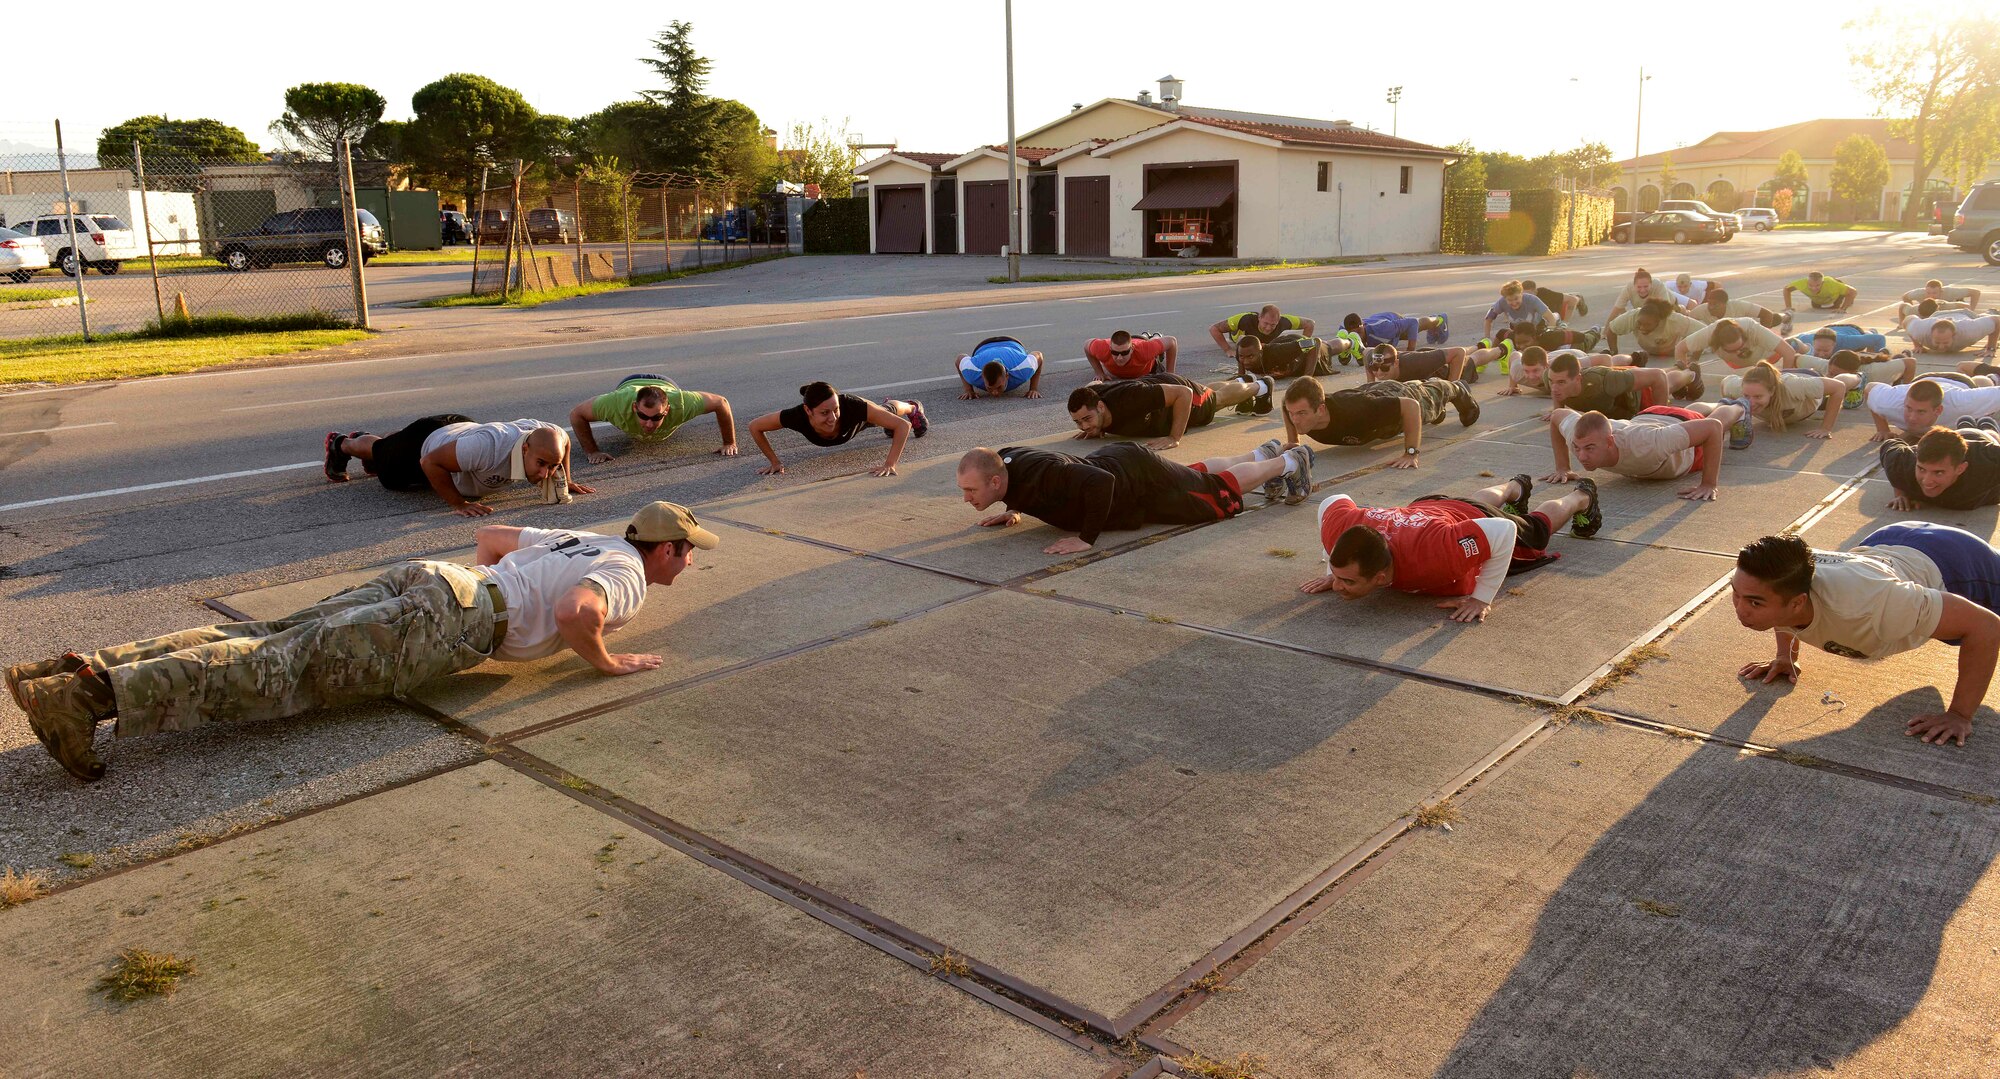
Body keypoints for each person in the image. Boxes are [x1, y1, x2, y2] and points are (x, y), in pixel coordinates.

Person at [7, 502, 719, 781]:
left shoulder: (595, 537)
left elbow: (495, 538)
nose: (689, 562)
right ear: (668, 551)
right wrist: (605, 657)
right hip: (457, 618)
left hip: (437, 578)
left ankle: (73, 671)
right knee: (277, 668)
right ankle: (83, 699)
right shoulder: (628, 572)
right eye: (689, 552)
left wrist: (491, 590)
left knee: (270, 632)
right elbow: (574, 610)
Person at [1729, 527, 2000, 747]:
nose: (1740, 610)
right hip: (1885, 544)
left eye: (1754, 604)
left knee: (1973, 632)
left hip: (1958, 562)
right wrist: (1785, 656)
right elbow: (1781, 603)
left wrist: (1959, 715)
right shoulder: (1785, 576)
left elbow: (1986, 627)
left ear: (1798, 603)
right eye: (1736, 594)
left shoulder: (1873, 604)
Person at [1299, 473, 1603, 623]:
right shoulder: (1340, 530)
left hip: (1465, 522)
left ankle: (1580, 497)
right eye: (1341, 579)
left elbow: (1504, 530)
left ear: (1380, 578)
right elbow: (1331, 501)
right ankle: (1514, 486)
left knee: (1536, 530)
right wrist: (1332, 568)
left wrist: (1481, 598)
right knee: (1469, 507)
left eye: (1348, 581)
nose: (1338, 587)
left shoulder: (1435, 554)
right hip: (1433, 508)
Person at [955, 440, 1315, 555]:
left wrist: (1085, 538)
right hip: (1130, 469)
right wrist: (1014, 508)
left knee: (1214, 496)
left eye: (972, 490)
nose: (968, 498)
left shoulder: (1046, 473)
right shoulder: (1006, 464)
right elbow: (1022, 481)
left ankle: (1287, 462)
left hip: (1135, 477)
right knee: (1199, 477)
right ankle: (1261, 454)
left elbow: (1102, 480)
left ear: (995, 480)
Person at [323, 417, 589, 516]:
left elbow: (563, 443)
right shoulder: (489, 448)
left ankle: (390, 444)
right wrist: (457, 503)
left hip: (461, 435)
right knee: (386, 468)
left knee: (386, 456)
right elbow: (430, 462)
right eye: (541, 464)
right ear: (524, 448)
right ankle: (343, 444)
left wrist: (566, 476)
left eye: (551, 467)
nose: (545, 474)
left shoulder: (549, 435)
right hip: (426, 443)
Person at [1545, 401, 1745, 502]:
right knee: (1689, 411)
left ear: (1609, 442)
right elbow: (1557, 415)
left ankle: (1738, 406)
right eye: (1577, 449)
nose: (1581, 457)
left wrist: (1708, 483)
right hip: (1649, 416)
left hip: (1683, 444)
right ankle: (1717, 404)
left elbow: (1713, 427)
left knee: (1718, 417)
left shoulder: (1649, 444)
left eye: (1589, 449)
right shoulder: (1577, 435)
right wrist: (1563, 467)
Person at [1281, 375, 1479, 469]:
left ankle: (1457, 387)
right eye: (1292, 413)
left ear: (1321, 409)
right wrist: (1294, 441)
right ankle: (1425, 392)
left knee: (1426, 402)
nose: (1295, 420)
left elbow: (1410, 407)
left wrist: (1411, 453)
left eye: (1301, 413)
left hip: (1391, 400)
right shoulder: (1295, 410)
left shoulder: (1355, 409)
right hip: (1372, 397)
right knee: (1423, 408)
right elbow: (1285, 405)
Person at [748, 381, 923, 477]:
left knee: (886, 410)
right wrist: (775, 462)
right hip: (846, 418)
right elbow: (755, 426)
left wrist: (890, 464)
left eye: (836, 410)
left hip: (860, 419)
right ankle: (888, 422)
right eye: (824, 413)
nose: (832, 418)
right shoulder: (795, 416)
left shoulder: (851, 406)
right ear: (808, 411)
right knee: (887, 420)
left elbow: (902, 426)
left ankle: (912, 407)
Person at [1065, 373, 1272, 450]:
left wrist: (1174, 437)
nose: (1083, 426)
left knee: (1215, 401)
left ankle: (1261, 386)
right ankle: (1240, 381)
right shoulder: (1094, 398)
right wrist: (1096, 425)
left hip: (1179, 395)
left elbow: (1184, 393)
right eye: (1078, 422)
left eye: (1087, 419)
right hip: (1160, 389)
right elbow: (1093, 383)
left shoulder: (1130, 399)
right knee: (1207, 391)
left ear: (1100, 407)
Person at [566, 374, 737, 464]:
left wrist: (729, 442)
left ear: (667, 410)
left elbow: (721, 403)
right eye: (642, 416)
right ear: (634, 408)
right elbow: (576, 414)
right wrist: (592, 451)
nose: (649, 424)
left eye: (656, 418)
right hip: (629, 383)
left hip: (666, 384)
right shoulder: (616, 404)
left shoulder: (682, 404)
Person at [1719, 360, 1852, 440]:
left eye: (1758, 397)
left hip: (1807, 387)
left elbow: (1839, 388)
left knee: (1839, 382)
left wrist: (1825, 428)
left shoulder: (1794, 387)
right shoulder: (1736, 387)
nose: (1751, 402)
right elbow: (1725, 383)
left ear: (1772, 391)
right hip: (1773, 376)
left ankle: (1857, 378)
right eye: (1747, 396)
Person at [1547, 351, 1704, 417]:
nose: (1554, 388)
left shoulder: (1603, 383)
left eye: (1561, 383)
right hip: (1621, 379)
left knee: (1667, 382)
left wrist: (1660, 417)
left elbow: (1658, 376)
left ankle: (1690, 374)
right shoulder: (1554, 378)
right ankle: (1678, 367)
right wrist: (1556, 411)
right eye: (1552, 382)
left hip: (1638, 394)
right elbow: (1556, 387)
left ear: (1578, 379)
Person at [1881, 424, 2000, 511]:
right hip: (1954, 436)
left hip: (1979, 439)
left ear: (1960, 469)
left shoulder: (1986, 465)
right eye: (1921, 469)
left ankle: (1989, 428)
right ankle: (1967, 423)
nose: (1927, 481)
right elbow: (1889, 445)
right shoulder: (1902, 463)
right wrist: (1900, 493)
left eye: (1938, 473)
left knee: (1991, 435)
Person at [1864, 376, 2000, 443]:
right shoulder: (1889, 403)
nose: (1911, 417)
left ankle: (1992, 377)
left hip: (1958, 381)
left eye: (1921, 412)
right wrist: (1883, 429)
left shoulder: (1961, 403)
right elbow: (1870, 388)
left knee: (1982, 381)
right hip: (1922, 380)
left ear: (1938, 410)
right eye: (1909, 408)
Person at [1788, 325, 1914, 385]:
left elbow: (1911, 362)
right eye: (1818, 350)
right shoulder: (1824, 363)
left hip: (1852, 330)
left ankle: (1871, 332)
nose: (1821, 354)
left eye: (1826, 351)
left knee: (1893, 358)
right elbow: (1794, 356)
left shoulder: (1872, 371)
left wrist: (1906, 387)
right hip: (1826, 332)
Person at [1673, 316, 1797, 372]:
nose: (1738, 352)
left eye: (1740, 347)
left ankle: (1799, 343)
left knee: (1793, 349)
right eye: (1732, 350)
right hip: (1737, 363)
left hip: (1770, 356)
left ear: (1744, 337)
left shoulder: (1752, 329)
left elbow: (1788, 352)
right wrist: (1685, 376)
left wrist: (1785, 381)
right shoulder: (1710, 333)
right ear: (1718, 344)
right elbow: (1680, 349)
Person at [1605, 298, 1705, 365]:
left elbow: (1702, 332)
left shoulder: (1674, 320)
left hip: (1673, 350)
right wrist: (1614, 352)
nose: (1642, 328)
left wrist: (1694, 360)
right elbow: (1611, 329)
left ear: (1659, 321)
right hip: (1651, 351)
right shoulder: (1633, 316)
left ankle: (1683, 309)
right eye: (1639, 323)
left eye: (1647, 325)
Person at [1210, 305, 1316, 359]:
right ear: (1259, 317)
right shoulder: (1245, 319)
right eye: (1265, 323)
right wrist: (1228, 349)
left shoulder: (1284, 321)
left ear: (1278, 321)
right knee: (1241, 341)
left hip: (1263, 343)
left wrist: (1304, 347)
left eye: (1273, 325)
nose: (1268, 328)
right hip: (1239, 336)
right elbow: (1214, 329)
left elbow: (1310, 323)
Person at [956, 336, 1045, 399]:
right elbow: (959, 359)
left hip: (1012, 343)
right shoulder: (972, 374)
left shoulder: (1022, 370)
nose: (995, 393)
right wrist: (968, 390)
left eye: (999, 387)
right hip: (983, 346)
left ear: (1007, 376)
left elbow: (1039, 356)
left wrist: (1033, 389)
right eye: (989, 388)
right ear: (982, 377)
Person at [1691, 287, 1792, 335]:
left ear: (1724, 304)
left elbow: (1767, 314)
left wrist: (1762, 336)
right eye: (1710, 303)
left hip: (1749, 328)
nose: (1711, 307)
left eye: (1715, 304)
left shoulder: (1738, 306)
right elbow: (1687, 321)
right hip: (1726, 334)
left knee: (1774, 318)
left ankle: (1786, 316)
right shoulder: (1702, 310)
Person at [1084, 330, 1177, 380]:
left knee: (1153, 346)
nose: (1119, 358)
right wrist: (1099, 372)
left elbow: (1172, 341)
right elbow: (1086, 344)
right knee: (1144, 340)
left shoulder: (1144, 351)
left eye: (1124, 353)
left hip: (1144, 348)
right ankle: (1144, 334)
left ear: (1131, 350)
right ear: (1110, 349)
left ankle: (1156, 335)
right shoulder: (1102, 349)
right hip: (1134, 340)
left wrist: (1170, 374)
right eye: (1115, 353)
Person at [1234, 333, 1330, 379]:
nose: (1245, 361)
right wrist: (1241, 375)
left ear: (1261, 352)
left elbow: (1315, 342)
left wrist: (1306, 377)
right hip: (1285, 343)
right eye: (1242, 357)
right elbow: (1241, 339)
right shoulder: (1242, 352)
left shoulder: (1277, 352)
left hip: (1304, 355)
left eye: (1250, 357)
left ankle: (1344, 341)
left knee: (1330, 347)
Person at [1607, 268, 1692, 320]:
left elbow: (1667, 310)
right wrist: (1605, 332)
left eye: (1646, 286)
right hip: (1646, 308)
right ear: (1634, 285)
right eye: (1639, 287)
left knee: (1676, 314)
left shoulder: (1658, 285)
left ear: (1651, 284)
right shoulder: (1628, 288)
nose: (1643, 290)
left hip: (1669, 304)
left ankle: (1684, 310)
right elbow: (1617, 309)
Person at [1362, 343, 1467, 384]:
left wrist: (1452, 387)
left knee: (1472, 360)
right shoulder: (1372, 359)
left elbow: (1459, 352)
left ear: (1396, 363)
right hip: (1420, 355)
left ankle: (1481, 346)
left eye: (1385, 368)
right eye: (1375, 367)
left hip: (1442, 369)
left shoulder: (1416, 363)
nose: (1379, 373)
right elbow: (1367, 351)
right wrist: (1370, 383)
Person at [1482, 280, 1557, 337]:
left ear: (1521, 294)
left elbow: (1551, 318)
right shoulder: (1501, 302)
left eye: (1516, 299)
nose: (1514, 303)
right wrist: (1487, 337)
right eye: (1510, 300)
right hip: (1517, 331)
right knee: (1501, 333)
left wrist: (1549, 333)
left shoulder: (1532, 300)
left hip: (1536, 329)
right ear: (1505, 298)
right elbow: (1488, 319)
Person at [1346, 311, 1449, 350]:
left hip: (1393, 319)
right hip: (1380, 323)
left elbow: (1413, 322)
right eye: (1353, 333)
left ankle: (1439, 319)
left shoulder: (1383, 328)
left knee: (1415, 327)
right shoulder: (1345, 334)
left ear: (1363, 326)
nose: (1357, 336)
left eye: (1359, 331)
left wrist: (1410, 350)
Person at [1907, 314, 2000, 356]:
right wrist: (1917, 345)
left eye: (1945, 342)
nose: (1941, 347)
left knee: (1984, 317)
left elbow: (1997, 320)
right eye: (1937, 342)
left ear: (1954, 335)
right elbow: (1908, 319)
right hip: (1937, 314)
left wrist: (1991, 348)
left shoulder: (1969, 331)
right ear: (1931, 335)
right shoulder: (1920, 331)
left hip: (1963, 313)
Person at [1897, 280, 1981, 323]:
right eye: (1928, 293)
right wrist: (1905, 320)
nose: (1931, 296)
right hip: (1926, 309)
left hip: (1946, 308)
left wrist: (1971, 312)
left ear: (1941, 291)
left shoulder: (1949, 293)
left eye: (1934, 293)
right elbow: (1905, 298)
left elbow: (1976, 292)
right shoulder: (1919, 293)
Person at [1782, 271, 1856, 313]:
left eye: (1817, 285)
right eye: (1810, 285)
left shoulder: (1831, 285)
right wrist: (1788, 307)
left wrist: (1843, 309)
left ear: (1822, 283)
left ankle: (1846, 299)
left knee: (1837, 304)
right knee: (1816, 306)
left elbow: (1853, 291)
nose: (1814, 288)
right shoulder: (1802, 283)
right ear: (1807, 281)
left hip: (1834, 296)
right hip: (1818, 298)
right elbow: (1786, 289)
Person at [1520, 278, 1586, 322]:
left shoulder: (1544, 293)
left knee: (1573, 299)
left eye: (1529, 293)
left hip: (1559, 310)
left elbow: (1573, 300)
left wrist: (1565, 322)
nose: (1527, 296)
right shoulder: (1521, 297)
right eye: (1524, 293)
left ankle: (1579, 298)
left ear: (1535, 290)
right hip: (1544, 317)